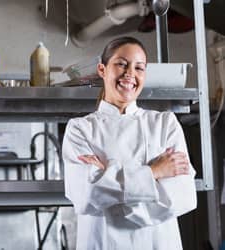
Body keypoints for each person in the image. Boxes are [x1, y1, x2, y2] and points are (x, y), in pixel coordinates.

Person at [62, 36, 197, 250]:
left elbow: (183, 197)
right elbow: (85, 195)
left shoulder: (164, 123)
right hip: (103, 242)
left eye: (139, 68)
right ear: (102, 69)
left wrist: (108, 180)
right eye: (121, 64)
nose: (130, 74)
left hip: (158, 243)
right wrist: (153, 172)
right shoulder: (80, 128)